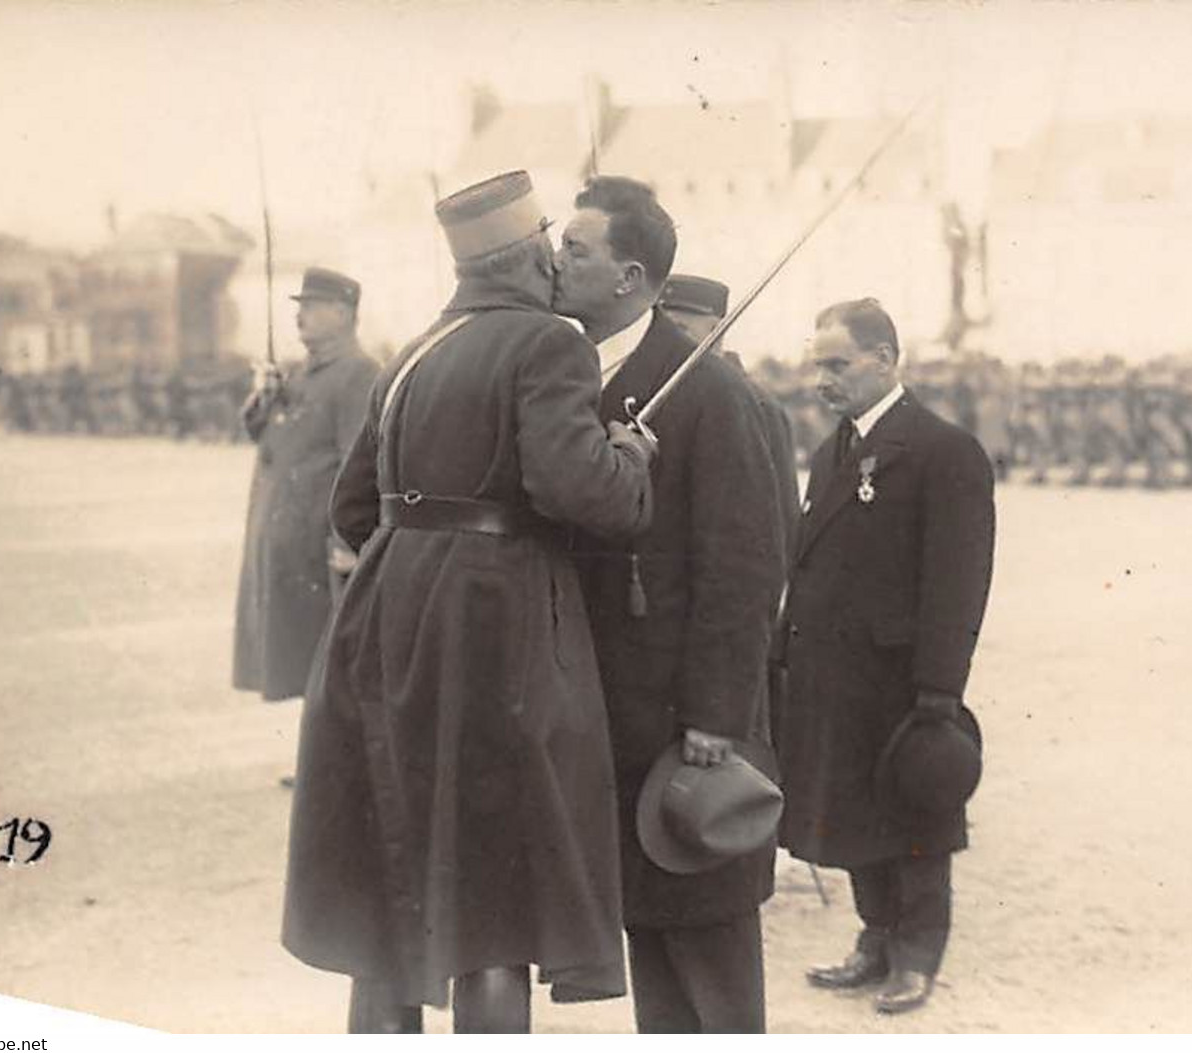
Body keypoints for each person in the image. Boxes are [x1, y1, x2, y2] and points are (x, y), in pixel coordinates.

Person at [281, 171, 657, 1034]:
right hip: (494, 635)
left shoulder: (412, 350)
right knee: (496, 901)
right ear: (526, 258)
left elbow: (351, 507)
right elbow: (581, 492)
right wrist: (628, 459)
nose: (561, 265)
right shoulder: (548, 344)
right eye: (553, 248)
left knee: (390, 884)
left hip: (382, 620)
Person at [554, 176, 785, 1033]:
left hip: (683, 718)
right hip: (606, 709)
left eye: (575, 250)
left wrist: (717, 715)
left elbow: (744, 566)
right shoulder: (569, 377)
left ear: (629, 276)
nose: (555, 260)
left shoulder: (706, 393)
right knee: (649, 921)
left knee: (707, 922)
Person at [774, 298, 995, 1015]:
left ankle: (916, 954)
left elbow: (958, 581)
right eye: (817, 365)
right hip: (838, 677)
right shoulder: (829, 450)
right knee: (852, 811)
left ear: (884, 358)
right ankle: (875, 937)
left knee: (918, 814)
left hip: (903, 683)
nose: (822, 380)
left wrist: (938, 691)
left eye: (837, 364)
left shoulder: (941, 450)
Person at [232, 267, 379, 708]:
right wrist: (263, 396)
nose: (301, 316)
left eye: (312, 306)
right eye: (300, 307)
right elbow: (262, 434)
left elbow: (360, 465)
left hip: (320, 546)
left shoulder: (358, 374)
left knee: (329, 661)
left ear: (343, 312)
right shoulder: (298, 374)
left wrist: (348, 540)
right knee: (299, 659)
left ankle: (334, 774)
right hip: (286, 545)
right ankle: (315, 770)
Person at [659, 272, 800, 552]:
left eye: (680, 330)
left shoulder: (758, 407)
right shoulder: (657, 397)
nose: (666, 342)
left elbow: (782, 522)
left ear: (716, 332)